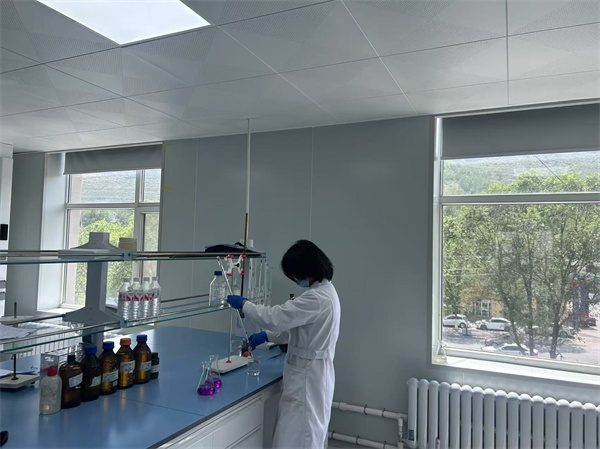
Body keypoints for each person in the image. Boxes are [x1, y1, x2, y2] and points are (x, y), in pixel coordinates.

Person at [227, 240, 340, 449]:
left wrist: (245, 305)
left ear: (307, 268)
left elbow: (275, 317)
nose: (296, 280)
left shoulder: (317, 298)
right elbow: (297, 329)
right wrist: (266, 336)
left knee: (298, 439)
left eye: (296, 274)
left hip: (307, 379)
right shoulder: (326, 292)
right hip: (311, 374)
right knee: (297, 436)